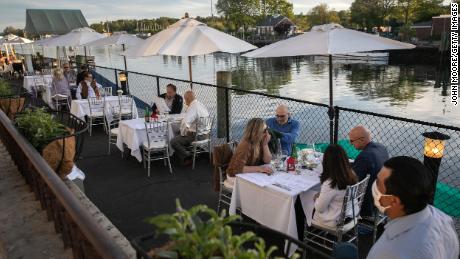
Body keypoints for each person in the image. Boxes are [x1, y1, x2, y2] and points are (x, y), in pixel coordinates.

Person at [367, 156, 459, 259]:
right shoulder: (443, 218)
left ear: (394, 201)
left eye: (379, 183)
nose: (375, 186)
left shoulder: (391, 252)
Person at [313, 144, 358, 227]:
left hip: (334, 220)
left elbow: (320, 209)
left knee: (307, 200)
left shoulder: (330, 183)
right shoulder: (352, 173)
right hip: (351, 213)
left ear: (326, 162)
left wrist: (316, 198)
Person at [348, 125, 389, 217]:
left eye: (351, 141)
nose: (350, 144)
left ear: (362, 140)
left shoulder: (364, 157)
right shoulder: (381, 147)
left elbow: (352, 181)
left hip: (368, 202)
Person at [170, 91, 209, 165]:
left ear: (187, 99)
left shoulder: (192, 107)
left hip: (198, 136)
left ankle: (188, 156)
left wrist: (184, 132)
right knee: (180, 133)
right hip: (206, 133)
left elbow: (185, 123)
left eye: (185, 99)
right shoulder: (200, 105)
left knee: (174, 141)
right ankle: (188, 153)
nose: (185, 101)